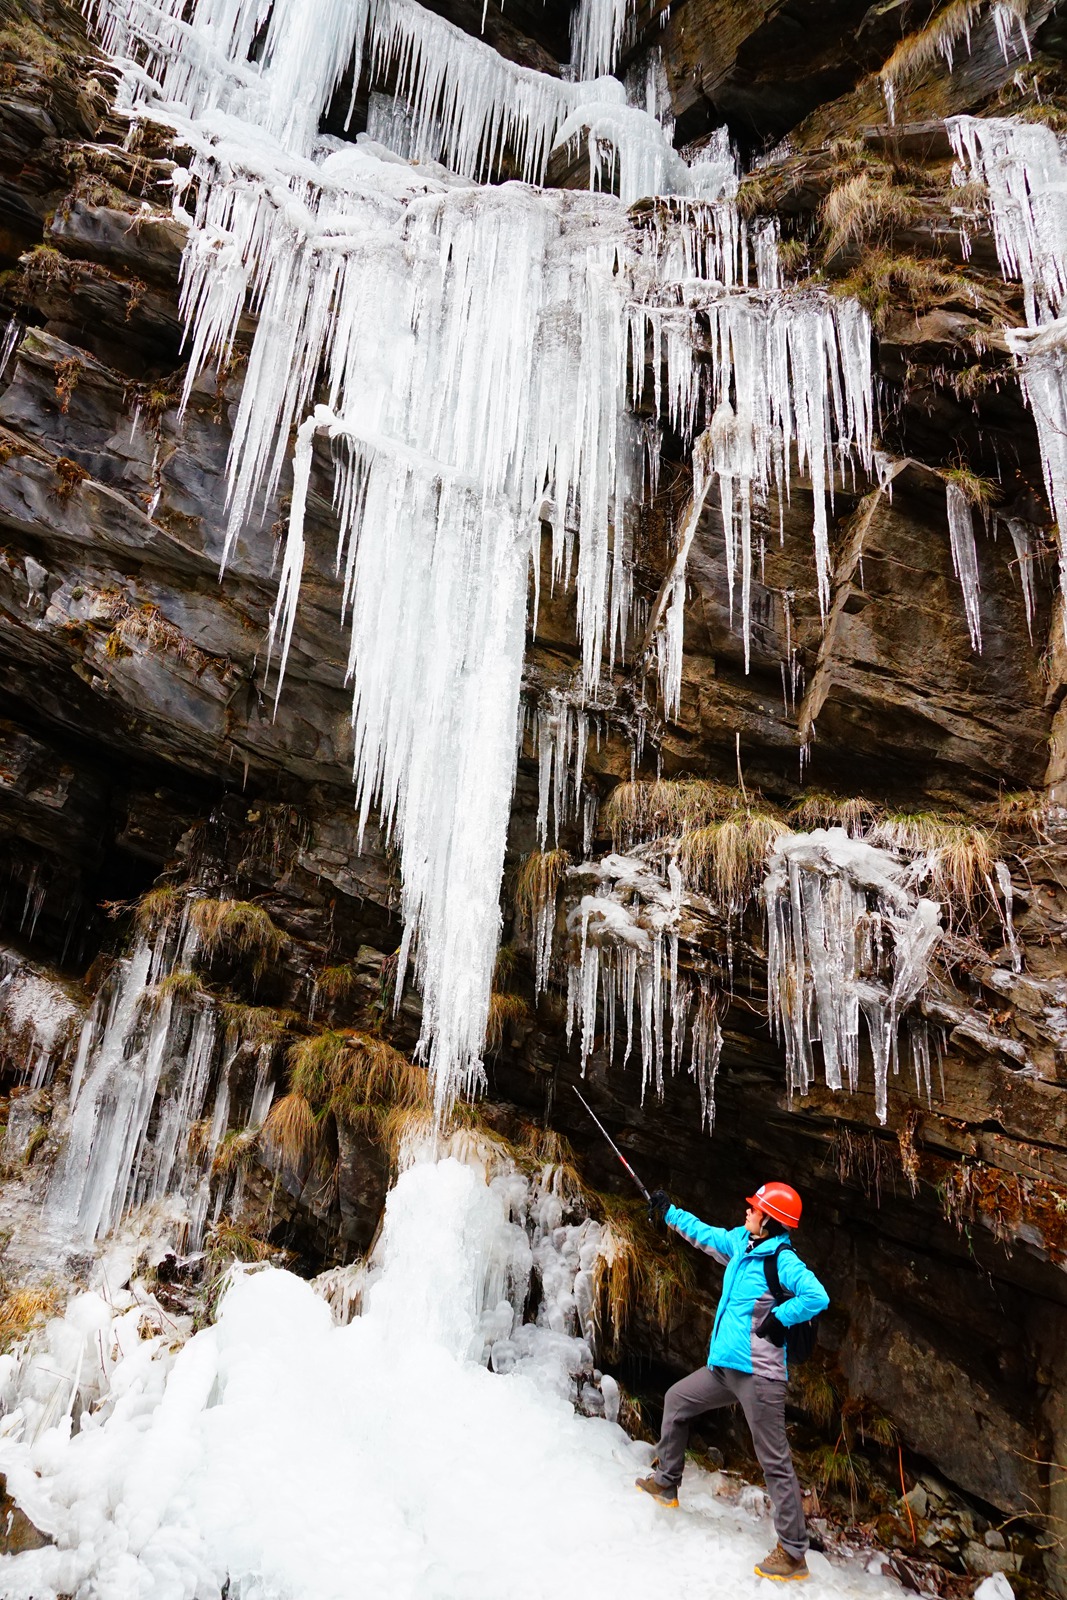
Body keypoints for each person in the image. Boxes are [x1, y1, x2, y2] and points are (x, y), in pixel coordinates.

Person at [635, 1181, 829, 1582]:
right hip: (724, 1368)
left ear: (771, 1221)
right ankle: (666, 1483)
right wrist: (669, 1212)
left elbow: (816, 1295)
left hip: (760, 1377)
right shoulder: (742, 1243)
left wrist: (780, 1317)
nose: (747, 1211)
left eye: (754, 1208)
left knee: (773, 1460)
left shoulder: (784, 1261)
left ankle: (794, 1554)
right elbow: (705, 1235)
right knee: (677, 1400)